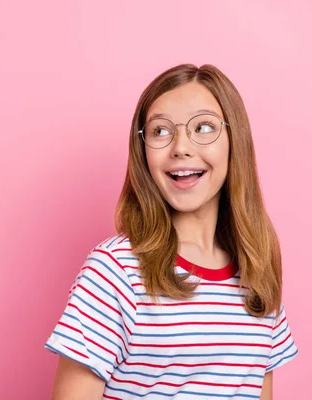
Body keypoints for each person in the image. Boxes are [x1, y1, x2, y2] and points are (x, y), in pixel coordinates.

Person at [44, 64, 298, 399]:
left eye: (203, 127)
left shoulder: (257, 268)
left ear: (234, 140)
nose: (181, 147)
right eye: (161, 131)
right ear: (143, 150)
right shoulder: (115, 270)